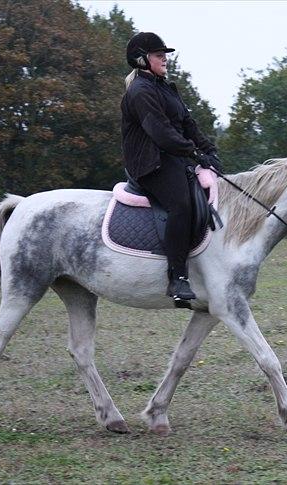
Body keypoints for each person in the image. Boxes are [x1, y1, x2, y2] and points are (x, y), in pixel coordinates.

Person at [121, 32, 221, 304]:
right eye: (158, 55)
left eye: (164, 54)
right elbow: (160, 132)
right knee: (182, 204)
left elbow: (188, 125)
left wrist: (209, 150)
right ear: (142, 60)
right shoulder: (140, 91)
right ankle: (178, 278)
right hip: (149, 163)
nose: (165, 59)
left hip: (173, 158)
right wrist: (194, 152)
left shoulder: (166, 87)